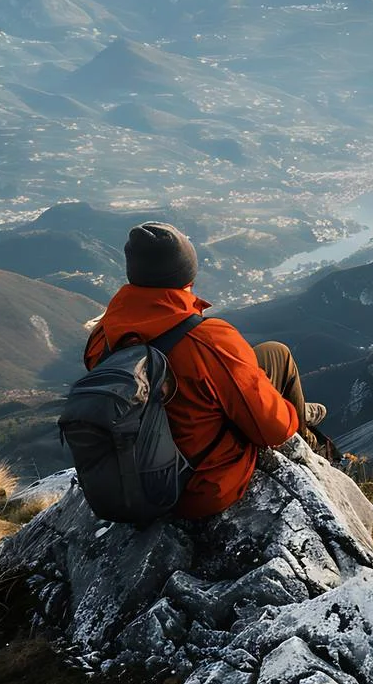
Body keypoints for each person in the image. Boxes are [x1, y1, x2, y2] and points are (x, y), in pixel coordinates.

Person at [84, 222, 330, 519]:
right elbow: (273, 431)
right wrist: (290, 413)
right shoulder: (209, 340)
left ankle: (303, 415)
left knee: (271, 353)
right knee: (278, 361)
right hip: (196, 490)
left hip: (130, 481)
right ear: (187, 273)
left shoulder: (103, 335)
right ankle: (312, 436)